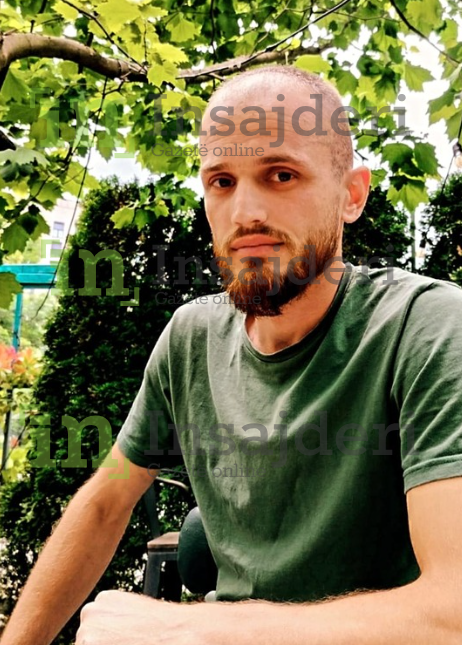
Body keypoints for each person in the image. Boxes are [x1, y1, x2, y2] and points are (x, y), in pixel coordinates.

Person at [2, 66, 462, 645]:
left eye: (281, 174)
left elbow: (452, 611)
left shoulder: (427, 327)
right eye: (221, 181)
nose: (245, 213)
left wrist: (188, 628)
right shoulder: (191, 337)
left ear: (352, 195)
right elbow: (105, 500)